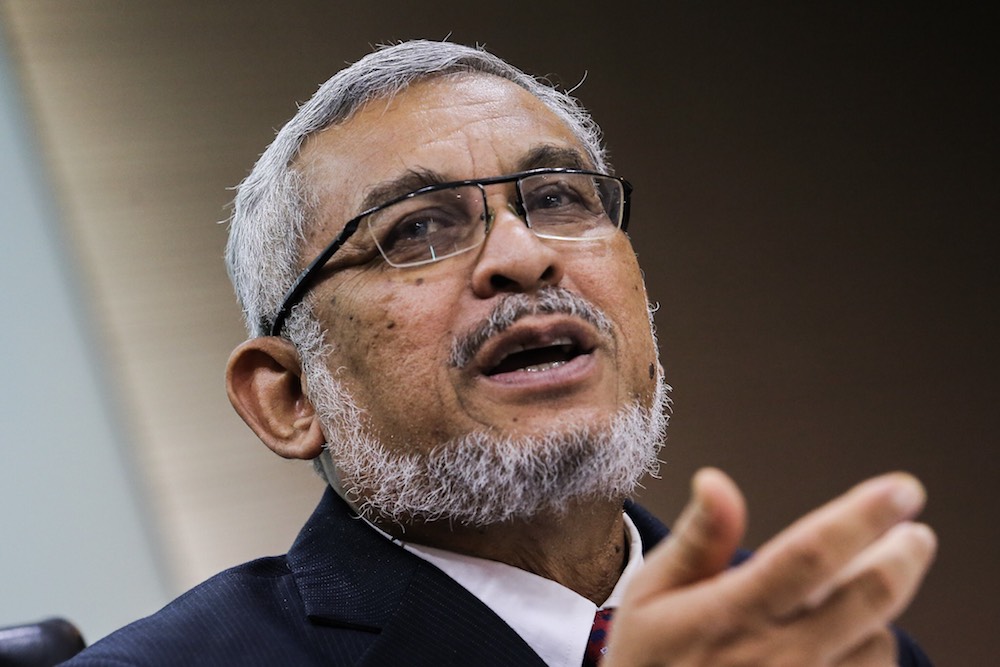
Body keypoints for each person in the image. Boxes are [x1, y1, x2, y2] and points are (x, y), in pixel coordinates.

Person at [65, 40, 936, 666]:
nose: (523, 256)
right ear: (290, 398)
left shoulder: (818, 639)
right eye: (417, 228)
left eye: (559, 198)